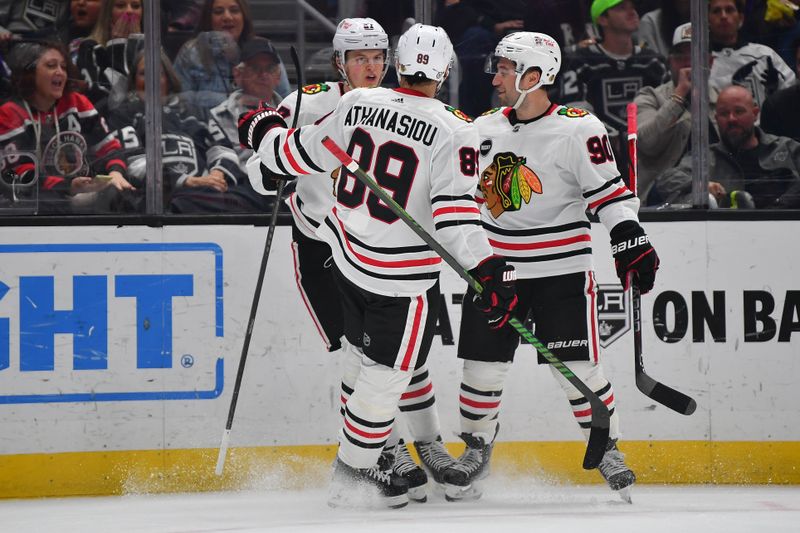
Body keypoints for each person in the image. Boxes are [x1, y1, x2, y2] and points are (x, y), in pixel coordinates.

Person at [239, 23, 516, 508]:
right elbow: (454, 213)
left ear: (394, 63)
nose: (368, 66)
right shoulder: (453, 125)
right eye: (358, 57)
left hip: (347, 255)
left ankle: (421, 445)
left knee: (379, 363)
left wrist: (265, 138)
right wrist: (486, 267)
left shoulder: (355, 106)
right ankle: (362, 468)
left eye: (377, 58)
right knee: (384, 370)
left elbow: (292, 152)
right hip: (372, 265)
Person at [441, 31, 659, 504]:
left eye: (504, 69)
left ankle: (609, 450)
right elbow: (459, 193)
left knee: (577, 368)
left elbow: (610, 194)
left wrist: (630, 238)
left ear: (534, 76)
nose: (495, 77)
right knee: (480, 370)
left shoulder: (579, 128)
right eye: (497, 68)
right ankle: (477, 449)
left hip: (562, 270)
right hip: (498, 272)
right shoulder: (482, 129)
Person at [107, 49, 264, 213]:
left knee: (251, 198)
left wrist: (216, 176)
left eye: (158, 73)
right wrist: (187, 181)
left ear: (168, 78)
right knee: (171, 203)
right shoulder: (124, 115)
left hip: (206, 190)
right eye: (144, 73)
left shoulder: (195, 112)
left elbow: (223, 150)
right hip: (160, 194)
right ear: (133, 81)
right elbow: (135, 164)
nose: (152, 79)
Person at [0, 41, 134, 214]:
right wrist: (69, 187)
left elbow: (110, 149)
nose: (60, 72)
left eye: (63, 67)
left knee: (127, 193)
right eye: (51, 66)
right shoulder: (9, 114)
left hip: (81, 192)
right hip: (34, 205)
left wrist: (116, 173)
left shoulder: (77, 103)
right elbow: (21, 176)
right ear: (29, 73)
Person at [559, 0, 669, 178]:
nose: (632, 12)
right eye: (621, 8)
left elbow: (667, 108)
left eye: (632, 7)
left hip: (650, 153)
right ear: (603, 19)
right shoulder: (581, 62)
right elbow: (574, 111)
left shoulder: (653, 62)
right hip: (599, 158)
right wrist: (608, 135)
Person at [656, 84, 800, 209]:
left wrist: (781, 204)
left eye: (739, 111)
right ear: (717, 119)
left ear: (755, 114)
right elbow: (666, 180)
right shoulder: (706, 157)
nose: (731, 119)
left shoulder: (786, 148)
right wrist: (701, 184)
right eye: (724, 113)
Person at [634, 22, 718, 204]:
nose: (689, 62)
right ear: (669, 61)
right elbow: (645, 142)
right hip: (661, 199)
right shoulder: (649, 97)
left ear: (710, 61)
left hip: (718, 191)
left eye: (696, 55)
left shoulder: (724, 101)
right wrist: (679, 95)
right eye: (681, 56)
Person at [172, 0, 290, 107]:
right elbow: (177, 102)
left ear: (244, 16)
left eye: (234, 10)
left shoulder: (265, 50)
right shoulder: (191, 53)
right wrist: (228, 101)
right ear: (209, 18)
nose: (227, 17)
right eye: (218, 12)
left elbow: (286, 100)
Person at [435, 0, 526, 116]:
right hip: (478, 32)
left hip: (525, 25)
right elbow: (454, 9)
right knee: (476, 41)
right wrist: (491, 25)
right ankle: (472, 113)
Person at [208, 37, 283, 169]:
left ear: (278, 76)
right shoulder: (218, 116)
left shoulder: (295, 112)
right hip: (238, 185)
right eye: (255, 68)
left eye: (270, 68)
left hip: (286, 187)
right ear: (238, 74)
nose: (263, 74)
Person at [708, 0, 795, 110]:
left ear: (741, 18)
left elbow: (792, 93)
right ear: (707, 20)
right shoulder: (700, 62)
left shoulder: (765, 55)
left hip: (765, 126)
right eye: (716, 11)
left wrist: (774, 98)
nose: (724, 16)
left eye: (729, 10)